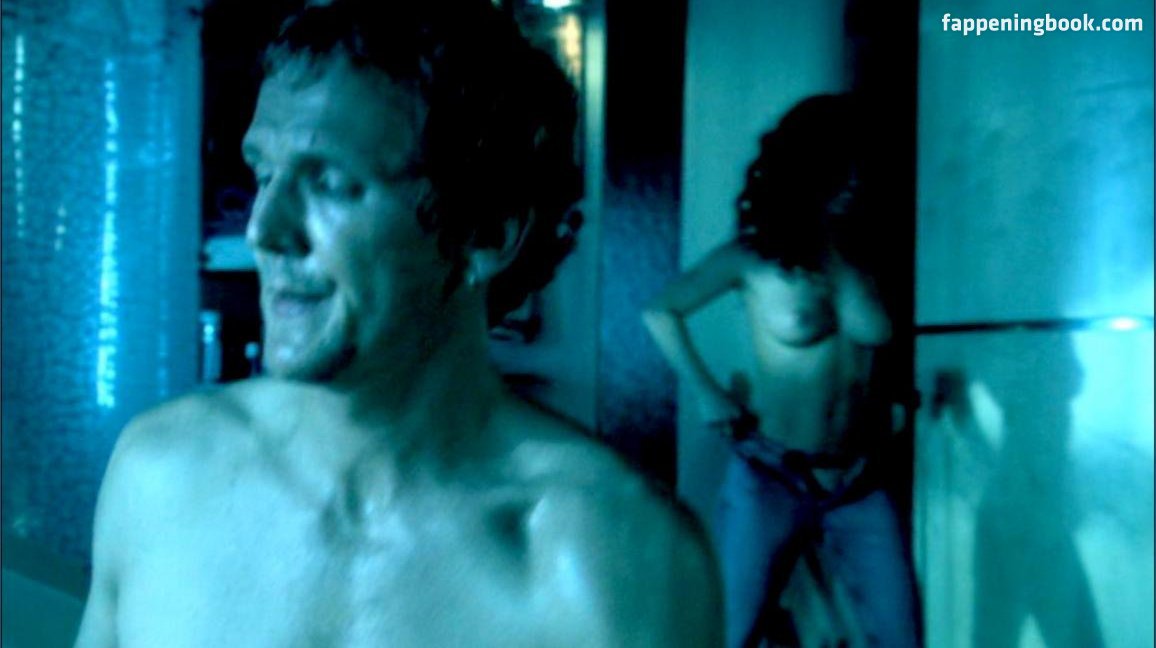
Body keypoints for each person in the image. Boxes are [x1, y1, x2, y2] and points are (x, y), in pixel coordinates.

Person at [74, 1, 722, 645]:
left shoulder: (611, 562)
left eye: (330, 182)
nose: (263, 230)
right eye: (264, 174)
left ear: (486, 234)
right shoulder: (160, 475)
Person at [643, 94, 919, 647]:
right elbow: (660, 311)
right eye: (842, 167)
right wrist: (707, 392)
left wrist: (896, 400)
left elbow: (870, 346)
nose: (855, 180)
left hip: (858, 480)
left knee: (902, 637)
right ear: (808, 170)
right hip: (774, 473)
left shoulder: (870, 254)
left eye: (861, 167)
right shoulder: (752, 257)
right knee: (730, 634)